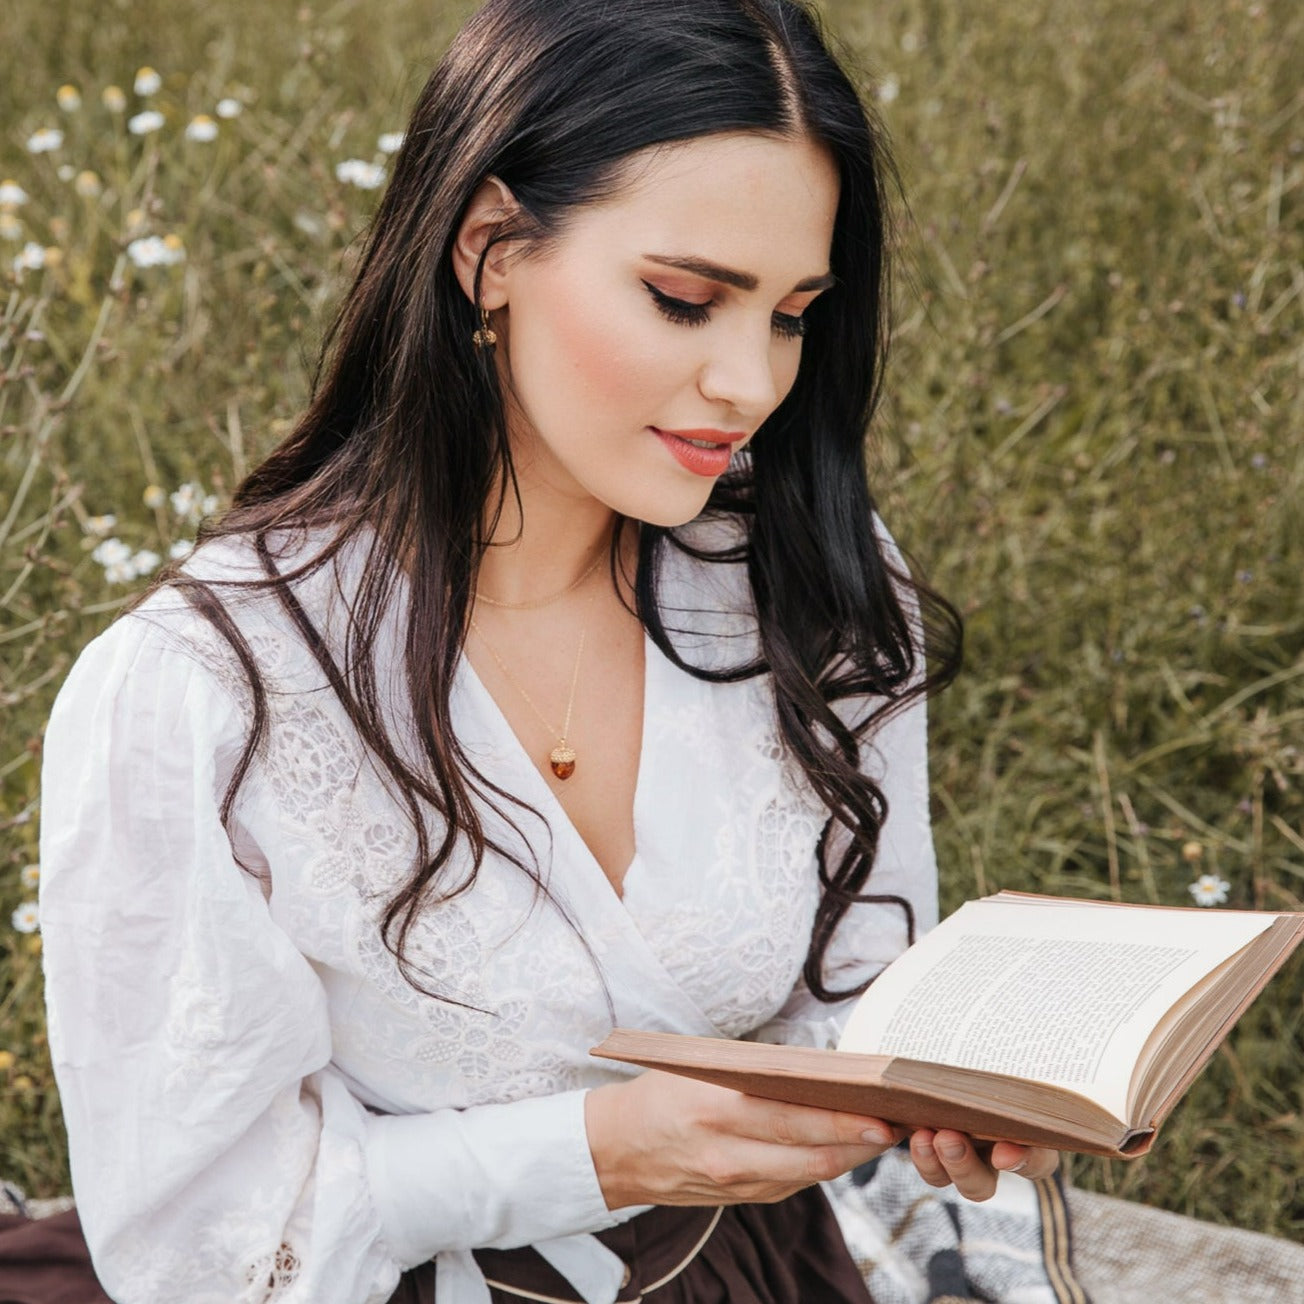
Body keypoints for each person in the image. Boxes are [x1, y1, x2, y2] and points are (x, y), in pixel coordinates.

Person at [34, 1, 1058, 1301]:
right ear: (491, 250)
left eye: (793, 315)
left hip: (742, 1267)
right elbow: (208, 1240)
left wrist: (936, 1093)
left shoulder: (804, 574)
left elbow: (853, 1001)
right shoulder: (206, 693)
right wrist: (602, 1151)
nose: (750, 383)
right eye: (687, 301)